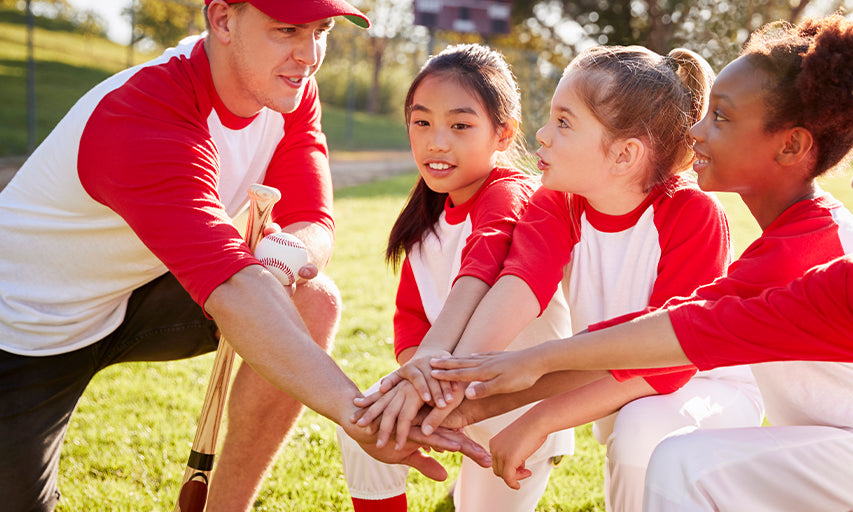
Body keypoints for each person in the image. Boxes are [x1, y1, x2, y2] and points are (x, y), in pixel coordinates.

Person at [432, 44, 853, 511]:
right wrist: (509, 382)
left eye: (721, 117)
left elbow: (691, 334)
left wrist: (528, 383)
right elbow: (697, 325)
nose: (694, 133)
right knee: (682, 464)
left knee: (680, 462)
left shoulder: (808, 249)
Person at [0, 2, 487, 511]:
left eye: (320, 31)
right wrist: (354, 410)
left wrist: (291, 255)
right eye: (287, 30)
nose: (308, 55)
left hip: (136, 296)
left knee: (311, 299)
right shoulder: (144, 114)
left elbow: (315, 223)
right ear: (223, 20)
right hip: (24, 328)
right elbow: (232, 287)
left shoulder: (287, 89)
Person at [366, 44, 765, 512]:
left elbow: (668, 363)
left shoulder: (693, 215)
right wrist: (447, 386)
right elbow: (519, 287)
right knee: (633, 430)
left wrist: (539, 419)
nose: (542, 134)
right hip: (610, 374)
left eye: (563, 122)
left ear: (623, 155)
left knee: (640, 434)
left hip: (703, 388)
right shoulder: (558, 201)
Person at [334, 43, 575, 512]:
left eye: (460, 126)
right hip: (446, 392)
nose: (436, 142)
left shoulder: (514, 193)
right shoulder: (423, 221)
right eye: (421, 122)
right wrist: (415, 383)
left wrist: (427, 373)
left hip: (520, 410)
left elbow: (482, 266)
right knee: (365, 421)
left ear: (503, 135)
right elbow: (410, 320)